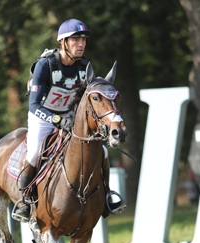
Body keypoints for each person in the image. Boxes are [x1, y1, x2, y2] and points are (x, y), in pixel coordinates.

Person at [14, 18, 125, 222]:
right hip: (43, 116)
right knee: (35, 151)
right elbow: (33, 105)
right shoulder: (44, 65)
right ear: (63, 42)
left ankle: (107, 196)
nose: (81, 44)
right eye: (75, 40)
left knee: (102, 150)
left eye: (83, 40)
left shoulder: (84, 67)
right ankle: (25, 201)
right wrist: (57, 119)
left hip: (70, 117)